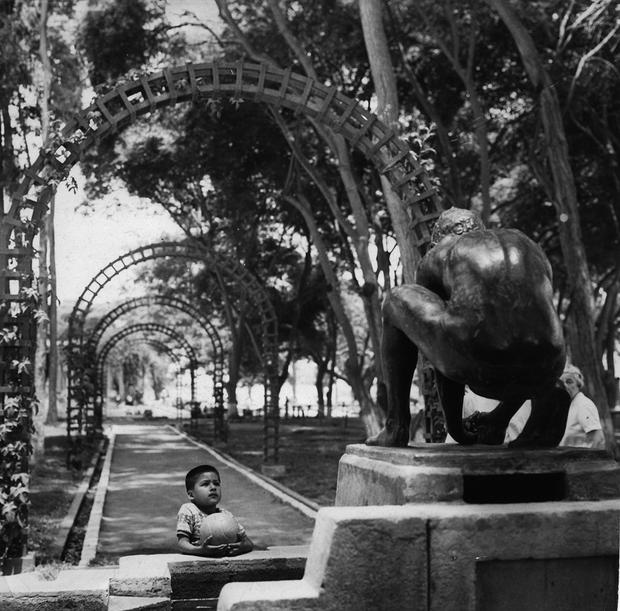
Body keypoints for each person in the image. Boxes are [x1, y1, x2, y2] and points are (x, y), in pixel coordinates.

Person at [367, 207, 569, 447]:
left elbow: (439, 346)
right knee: (521, 334)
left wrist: (456, 429)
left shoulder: (443, 250)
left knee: (394, 300)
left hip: (476, 360)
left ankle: (396, 426)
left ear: (440, 238)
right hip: (549, 367)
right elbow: (525, 329)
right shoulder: (529, 246)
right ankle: (510, 418)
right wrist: (499, 417)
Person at [177, 464, 254, 557]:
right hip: (199, 562)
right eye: (205, 484)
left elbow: (248, 542)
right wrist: (200, 550)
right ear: (191, 495)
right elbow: (182, 544)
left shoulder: (226, 515)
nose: (213, 487)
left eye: (216, 483)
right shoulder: (189, 510)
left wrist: (242, 547)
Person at [559, 365, 605, 449]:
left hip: (581, 460)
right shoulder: (568, 404)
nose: (565, 385)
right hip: (566, 459)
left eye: (569, 381)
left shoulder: (583, 404)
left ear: (578, 384)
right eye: (562, 383)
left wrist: (590, 460)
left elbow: (598, 438)